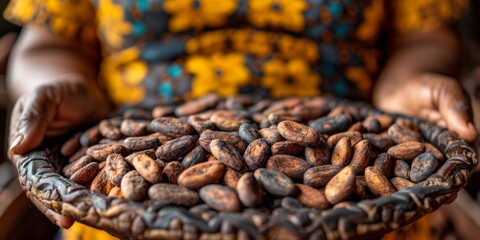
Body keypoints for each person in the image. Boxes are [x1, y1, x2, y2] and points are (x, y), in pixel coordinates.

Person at [4, 0, 478, 239]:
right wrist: (63, 86)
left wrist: (408, 82)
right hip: (129, 214)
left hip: (363, 210)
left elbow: (427, 35)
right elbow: (48, 44)